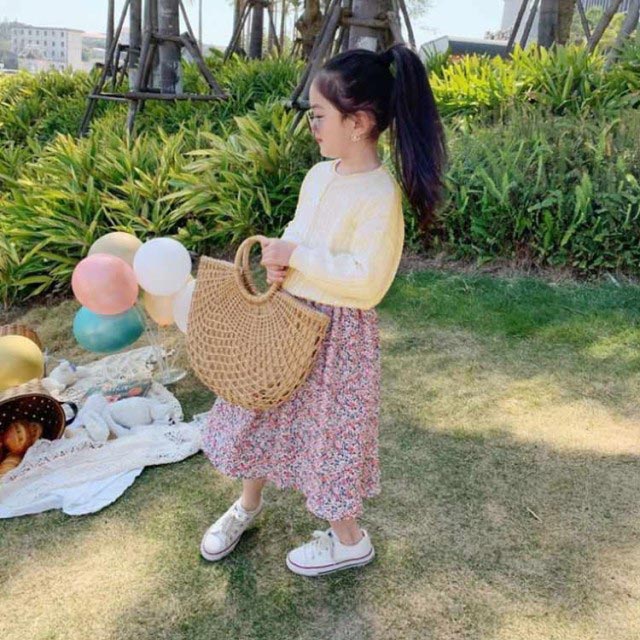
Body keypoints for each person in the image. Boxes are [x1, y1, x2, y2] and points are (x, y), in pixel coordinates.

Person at [200, 43, 447, 577]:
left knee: (329, 436)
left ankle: (349, 540)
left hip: (337, 336)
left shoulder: (379, 195)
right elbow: (300, 230)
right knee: (260, 408)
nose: (312, 126)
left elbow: (367, 282)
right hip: (289, 317)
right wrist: (280, 257)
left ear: (358, 123)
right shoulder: (319, 175)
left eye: (319, 116)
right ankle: (246, 506)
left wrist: (298, 257)